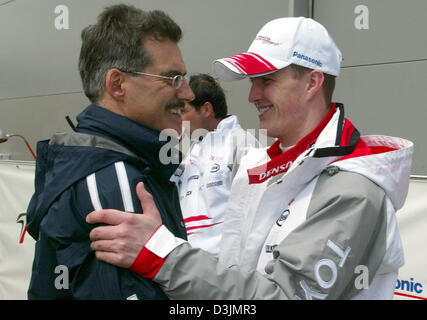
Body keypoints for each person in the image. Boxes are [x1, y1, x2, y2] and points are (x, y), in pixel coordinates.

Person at [87, 17, 414, 300]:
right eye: (253, 81)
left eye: (267, 80)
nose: (252, 95)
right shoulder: (258, 168)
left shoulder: (354, 191)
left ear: (312, 83)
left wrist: (161, 254)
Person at [25, 4, 194, 299]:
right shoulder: (113, 179)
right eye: (172, 79)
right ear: (117, 84)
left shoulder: (115, 163)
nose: (187, 93)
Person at [172, 73, 260, 256]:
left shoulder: (242, 142)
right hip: (189, 269)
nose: (179, 120)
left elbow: (255, 213)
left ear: (206, 109)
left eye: (183, 111)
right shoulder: (192, 152)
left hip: (227, 272)